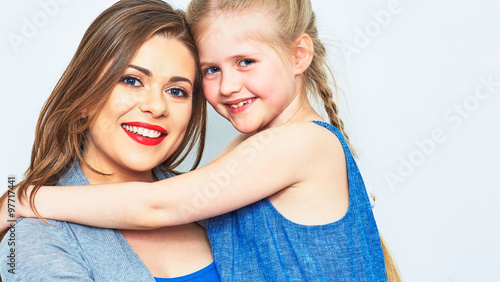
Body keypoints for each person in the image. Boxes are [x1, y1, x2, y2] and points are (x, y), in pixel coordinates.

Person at [1, 0, 401, 280]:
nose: (228, 85)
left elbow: (157, 205)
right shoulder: (245, 156)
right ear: (84, 95)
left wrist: (21, 199)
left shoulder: (303, 144)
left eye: (177, 90)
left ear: (299, 55)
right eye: (211, 69)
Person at [0, 0, 221, 281]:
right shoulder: (39, 236)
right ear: (84, 98)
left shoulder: (218, 208)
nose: (156, 106)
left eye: (177, 91)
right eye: (132, 80)